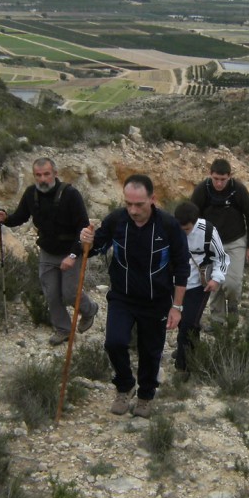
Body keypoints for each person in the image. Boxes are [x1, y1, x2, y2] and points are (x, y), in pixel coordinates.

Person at [79, 175, 190, 419]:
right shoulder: (117, 220)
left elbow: (182, 266)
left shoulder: (169, 226)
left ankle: (145, 396)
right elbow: (96, 247)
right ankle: (125, 385)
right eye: (128, 203)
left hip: (157, 299)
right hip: (122, 296)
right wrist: (85, 241)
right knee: (114, 342)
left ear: (153, 199)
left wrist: (177, 307)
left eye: (139, 204)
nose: (133, 210)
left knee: (150, 351)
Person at [0, 158, 98, 345]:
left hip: (70, 251)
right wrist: (5, 218)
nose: (42, 179)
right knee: (51, 293)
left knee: (69, 293)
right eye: (38, 175)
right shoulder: (31, 194)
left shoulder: (70, 195)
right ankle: (64, 329)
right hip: (48, 252)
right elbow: (20, 217)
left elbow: (83, 228)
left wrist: (73, 255)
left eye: (46, 174)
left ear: (55, 174)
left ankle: (90, 310)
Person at [189, 158, 249, 322]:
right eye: (216, 179)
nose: (219, 183)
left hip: (235, 241)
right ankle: (218, 319)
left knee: (232, 283)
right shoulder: (202, 190)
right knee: (214, 283)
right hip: (210, 243)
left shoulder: (238, 190)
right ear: (210, 175)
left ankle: (233, 303)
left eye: (223, 180)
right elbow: (192, 216)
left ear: (230, 176)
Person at [172, 202, 229, 372]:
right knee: (185, 324)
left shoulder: (208, 231)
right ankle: (193, 354)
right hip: (175, 285)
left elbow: (222, 258)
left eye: (187, 229)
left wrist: (216, 279)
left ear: (195, 222)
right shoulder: (170, 228)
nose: (183, 232)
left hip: (199, 285)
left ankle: (182, 369)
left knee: (188, 324)